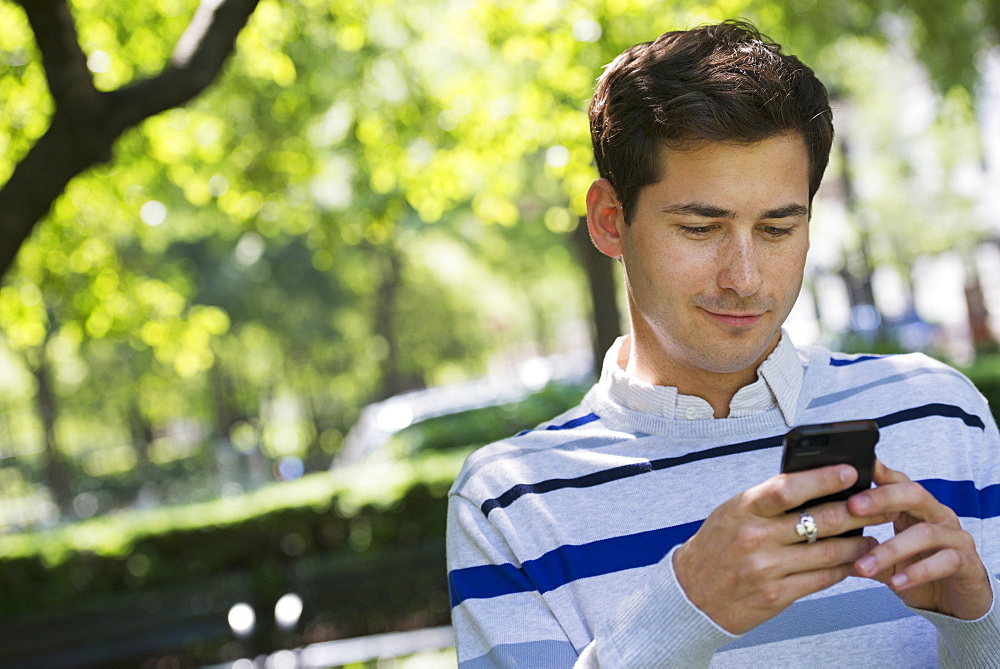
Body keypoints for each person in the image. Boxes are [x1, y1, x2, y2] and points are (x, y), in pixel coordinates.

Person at [446, 19, 1000, 667]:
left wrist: (977, 626)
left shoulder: (941, 414)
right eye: (701, 227)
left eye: (776, 228)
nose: (744, 277)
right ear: (608, 221)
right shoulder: (510, 499)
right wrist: (679, 611)